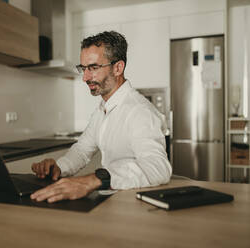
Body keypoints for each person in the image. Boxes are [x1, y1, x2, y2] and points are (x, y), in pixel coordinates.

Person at [30, 31, 172, 203]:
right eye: (83, 68)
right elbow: (82, 150)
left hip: (135, 206)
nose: (85, 77)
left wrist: (93, 180)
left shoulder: (139, 111)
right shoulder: (102, 109)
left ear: (118, 68)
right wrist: (59, 168)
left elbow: (158, 168)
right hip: (113, 202)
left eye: (93, 68)